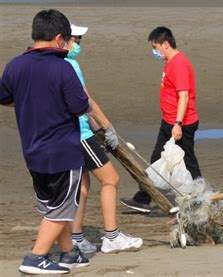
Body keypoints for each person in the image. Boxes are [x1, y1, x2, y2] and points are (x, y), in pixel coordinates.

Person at [0, 9, 90, 274]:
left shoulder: (15, 64)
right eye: (67, 39)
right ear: (59, 37)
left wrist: (33, 103)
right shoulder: (63, 68)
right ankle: (36, 257)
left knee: (53, 205)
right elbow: (80, 106)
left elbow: (5, 97)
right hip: (62, 150)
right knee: (62, 207)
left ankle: (68, 252)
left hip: (33, 149)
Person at [65, 24, 143, 253]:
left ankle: (76, 238)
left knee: (83, 186)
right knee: (111, 179)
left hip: (72, 133)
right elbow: (87, 101)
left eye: (80, 40)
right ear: (63, 39)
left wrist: (98, 127)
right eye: (75, 39)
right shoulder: (70, 65)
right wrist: (108, 127)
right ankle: (112, 236)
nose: (78, 44)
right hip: (80, 135)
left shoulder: (56, 65)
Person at [120, 26, 202, 213]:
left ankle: (201, 197)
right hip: (169, 121)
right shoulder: (171, 62)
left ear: (165, 44)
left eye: (155, 47)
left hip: (181, 123)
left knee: (188, 162)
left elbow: (184, 96)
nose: (154, 51)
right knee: (157, 158)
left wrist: (178, 124)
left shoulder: (179, 64)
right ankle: (143, 198)